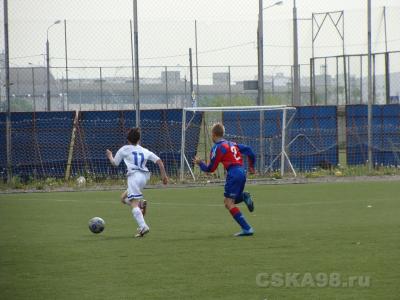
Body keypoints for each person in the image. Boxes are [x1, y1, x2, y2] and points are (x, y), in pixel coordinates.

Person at [193, 123, 256, 237]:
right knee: (228, 201)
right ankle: (243, 197)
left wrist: (200, 163)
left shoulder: (218, 148)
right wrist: (252, 166)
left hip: (233, 174)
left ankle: (247, 228)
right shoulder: (232, 144)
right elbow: (249, 150)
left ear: (213, 134)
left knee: (228, 203)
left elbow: (211, 169)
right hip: (242, 172)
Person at [106, 127, 168, 238]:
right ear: (138, 139)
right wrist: (164, 177)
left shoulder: (124, 149)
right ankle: (141, 205)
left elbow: (115, 163)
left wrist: (110, 156)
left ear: (128, 139)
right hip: (144, 177)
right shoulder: (144, 150)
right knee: (123, 198)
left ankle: (143, 226)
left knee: (133, 203)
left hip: (134, 176)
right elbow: (159, 162)